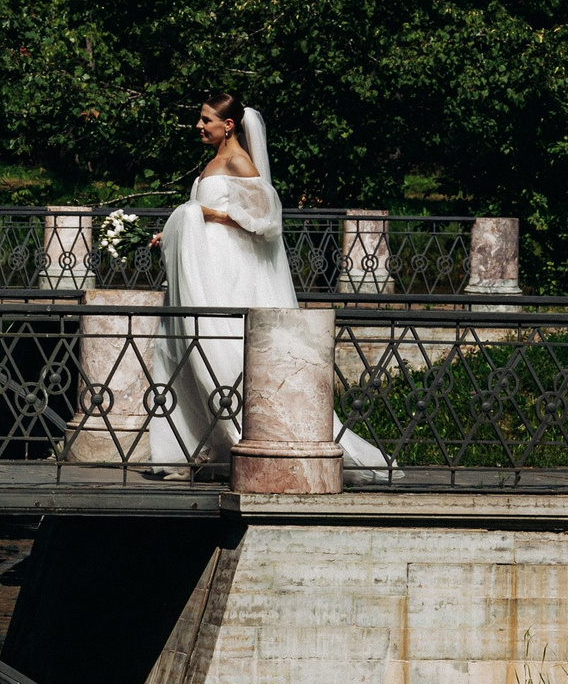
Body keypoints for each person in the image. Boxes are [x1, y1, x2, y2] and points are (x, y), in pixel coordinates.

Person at [138, 93, 390, 476]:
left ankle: (255, 435)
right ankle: (202, 446)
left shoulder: (239, 161)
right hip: (210, 263)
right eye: (200, 119)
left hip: (228, 267)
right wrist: (173, 230)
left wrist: (202, 212)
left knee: (217, 343)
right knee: (193, 344)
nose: (199, 126)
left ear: (228, 125)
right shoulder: (214, 161)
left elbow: (267, 216)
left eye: (206, 120)